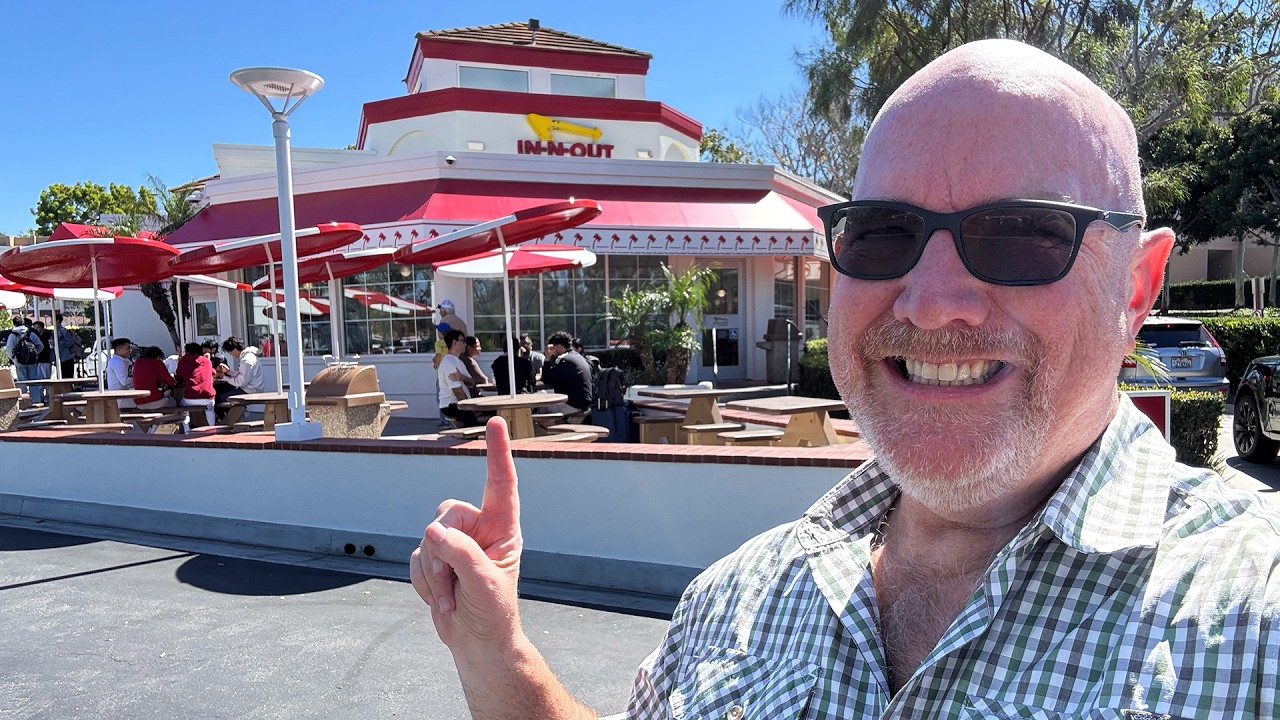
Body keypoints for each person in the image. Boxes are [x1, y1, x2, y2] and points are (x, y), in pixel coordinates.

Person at [409, 39, 1280, 718]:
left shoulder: (1252, 607)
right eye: (882, 233)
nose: (934, 302)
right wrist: (500, 654)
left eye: (1022, 233)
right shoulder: (737, 595)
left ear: (1136, 287)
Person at [536, 331, 593, 416]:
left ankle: (551, 427)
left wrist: (547, 358)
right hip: (583, 402)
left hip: (573, 405)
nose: (550, 350)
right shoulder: (577, 356)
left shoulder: (564, 360)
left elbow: (547, 379)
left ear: (559, 347)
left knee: (538, 408)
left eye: (552, 348)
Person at [436, 329, 479, 427]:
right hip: (451, 405)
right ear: (454, 342)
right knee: (475, 423)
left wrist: (462, 377)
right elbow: (458, 392)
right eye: (462, 340)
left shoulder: (458, 362)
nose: (465, 344)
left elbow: (472, 382)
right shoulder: (449, 363)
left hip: (459, 403)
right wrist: (470, 407)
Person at [5, 317, 45, 403]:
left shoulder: (13, 335)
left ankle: (24, 402)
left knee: (22, 381)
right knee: (33, 382)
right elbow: (40, 346)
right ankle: (36, 401)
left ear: (14, 324)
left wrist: (14, 359)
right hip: (32, 361)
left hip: (19, 362)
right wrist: (34, 354)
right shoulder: (30, 333)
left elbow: (9, 349)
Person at [175, 342, 216, 426]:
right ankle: (212, 428)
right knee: (210, 409)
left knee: (183, 407)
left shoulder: (184, 360)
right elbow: (213, 372)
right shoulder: (206, 361)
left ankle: (186, 430)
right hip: (208, 397)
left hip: (190, 398)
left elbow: (179, 376)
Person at [217, 336, 264, 402]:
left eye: (230, 352)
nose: (231, 355)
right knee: (226, 392)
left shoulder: (246, 360)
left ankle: (229, 412)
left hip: (250, 391)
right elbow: (242, 375)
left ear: (235, 349)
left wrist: (224, 377)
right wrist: (229, 372)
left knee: (219, 398)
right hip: (251, 388)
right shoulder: (248, 356)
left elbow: (240, 382)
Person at [132, 346, 177, 411]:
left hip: (138, 402)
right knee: (173, 401)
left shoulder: (137, 363)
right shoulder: (157, 362)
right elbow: (171, 382)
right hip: (153, 399)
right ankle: (171, 420)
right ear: (158, 357)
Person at [432, 300, 469, 369]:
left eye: (441, 310)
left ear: (445, 311)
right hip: (463, 354)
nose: (440, 312)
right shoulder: (461, 321)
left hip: (450, 357)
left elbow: (444, 341)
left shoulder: (444, 321)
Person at [55, 314, 80, 379]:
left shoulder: (63, 330)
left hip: (67, 357)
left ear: (57, 321)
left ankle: (68, 389)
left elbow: (70, 342)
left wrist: (57, 343)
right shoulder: (56, 331)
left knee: (67, 377)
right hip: (61, 358)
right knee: (62, 376)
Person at [30, 320, 54, 385]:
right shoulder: (34, 337)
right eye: (34, 328)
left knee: (46, 379)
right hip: (38, 361)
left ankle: (48, 393)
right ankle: (41, 394)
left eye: (37, 327)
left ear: (42, 328)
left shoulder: (47, 336)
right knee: (39, 380)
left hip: (46, 360)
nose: (36, 329)